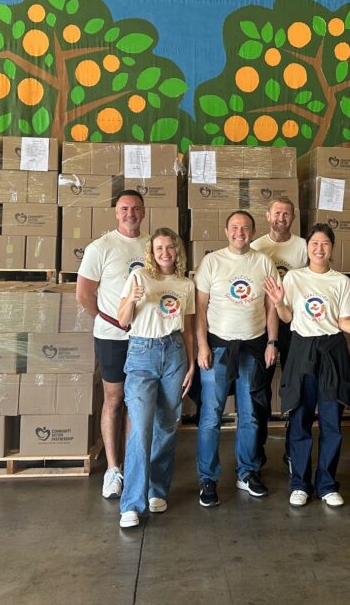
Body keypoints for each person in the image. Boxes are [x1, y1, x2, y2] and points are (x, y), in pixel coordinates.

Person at [263, 223, 350, 508]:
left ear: (332, 248)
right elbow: (285, 317)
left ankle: (328, 484)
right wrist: (280, 302)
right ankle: (300, 484)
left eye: (325, 244)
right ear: (307, 248)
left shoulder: (341, 281)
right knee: (301, 418)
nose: (319, 249)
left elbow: (344, 321)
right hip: (302, 349)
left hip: (332, 350)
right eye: (314, 244)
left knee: (331, 422)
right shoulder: (294, 277)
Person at [194, 210, 278, 507]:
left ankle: (248, 472)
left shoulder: (263, 262)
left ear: (253, 232)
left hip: (253, 349)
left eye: (245, 227)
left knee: (250, 415)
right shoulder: (212, 262)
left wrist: (271, 342)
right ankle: (208, 478)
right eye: (234, 227)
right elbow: (200, 308)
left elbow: (271, 307)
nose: (239, 232)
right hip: (217, 348)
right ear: (226, 230)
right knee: (210, 415)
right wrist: (202, 346)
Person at [115, 228, 195, 529]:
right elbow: (123, 319)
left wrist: (190, 365)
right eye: (159, 247)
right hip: (142, 353)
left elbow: (187, 328)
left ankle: (157, 491)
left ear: (178, 251)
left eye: (170, 247)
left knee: (167, 425)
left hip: (174, 352)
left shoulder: (186, 284)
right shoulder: (138, 278)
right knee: (141, 429)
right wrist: (132, 300)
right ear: (152, 251)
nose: (165, 252)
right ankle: (132, 503)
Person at [76, 189, 149, 501]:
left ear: (143, 212)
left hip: (145, 336)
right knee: (114, 399)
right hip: (112, 337)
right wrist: (108, 320)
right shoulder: (101, 247)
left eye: (135, 208)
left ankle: (133, 464)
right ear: (116, 212)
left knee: (138, 400)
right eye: (124, 208)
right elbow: (83, 294)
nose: (130, 213)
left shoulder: (151, 245)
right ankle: (113, 468)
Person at [250, 197, 308, 470]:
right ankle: (256, 451)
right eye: (277, 213)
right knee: (260, 389)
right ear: (267, 215)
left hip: (295, 324)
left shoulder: (303, 247)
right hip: (264, 326)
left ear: (293, 218)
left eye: (286, 213)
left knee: (294, 389)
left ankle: (291, 451)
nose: (281, 218)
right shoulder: (256, 246)